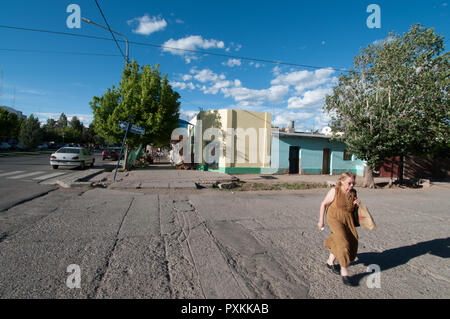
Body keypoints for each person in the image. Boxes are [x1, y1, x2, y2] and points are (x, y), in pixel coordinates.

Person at [318, 172, 361, 286]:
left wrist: (356, 203)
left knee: (353, 240)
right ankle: (344, 271)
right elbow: (323, 204)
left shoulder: (353, 192)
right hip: (334, 218)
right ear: (342, 181)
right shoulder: (335, 191)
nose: (351, 185)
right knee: (342, 241)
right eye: (349, 183)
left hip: (347, 219)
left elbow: (352, 207)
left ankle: (330, 262)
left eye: (353, 183)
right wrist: (321, 220)